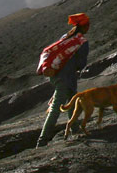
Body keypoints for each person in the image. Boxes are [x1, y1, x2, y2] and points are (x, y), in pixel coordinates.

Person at [37, 13, 90, 148]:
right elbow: (81, 63)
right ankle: (42, 140)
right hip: (67, 78)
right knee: (56, 107)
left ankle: (75, 129)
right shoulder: (82, 42)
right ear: (85, 27)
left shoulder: (65, 38)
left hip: (54, 75)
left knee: (72, 102)